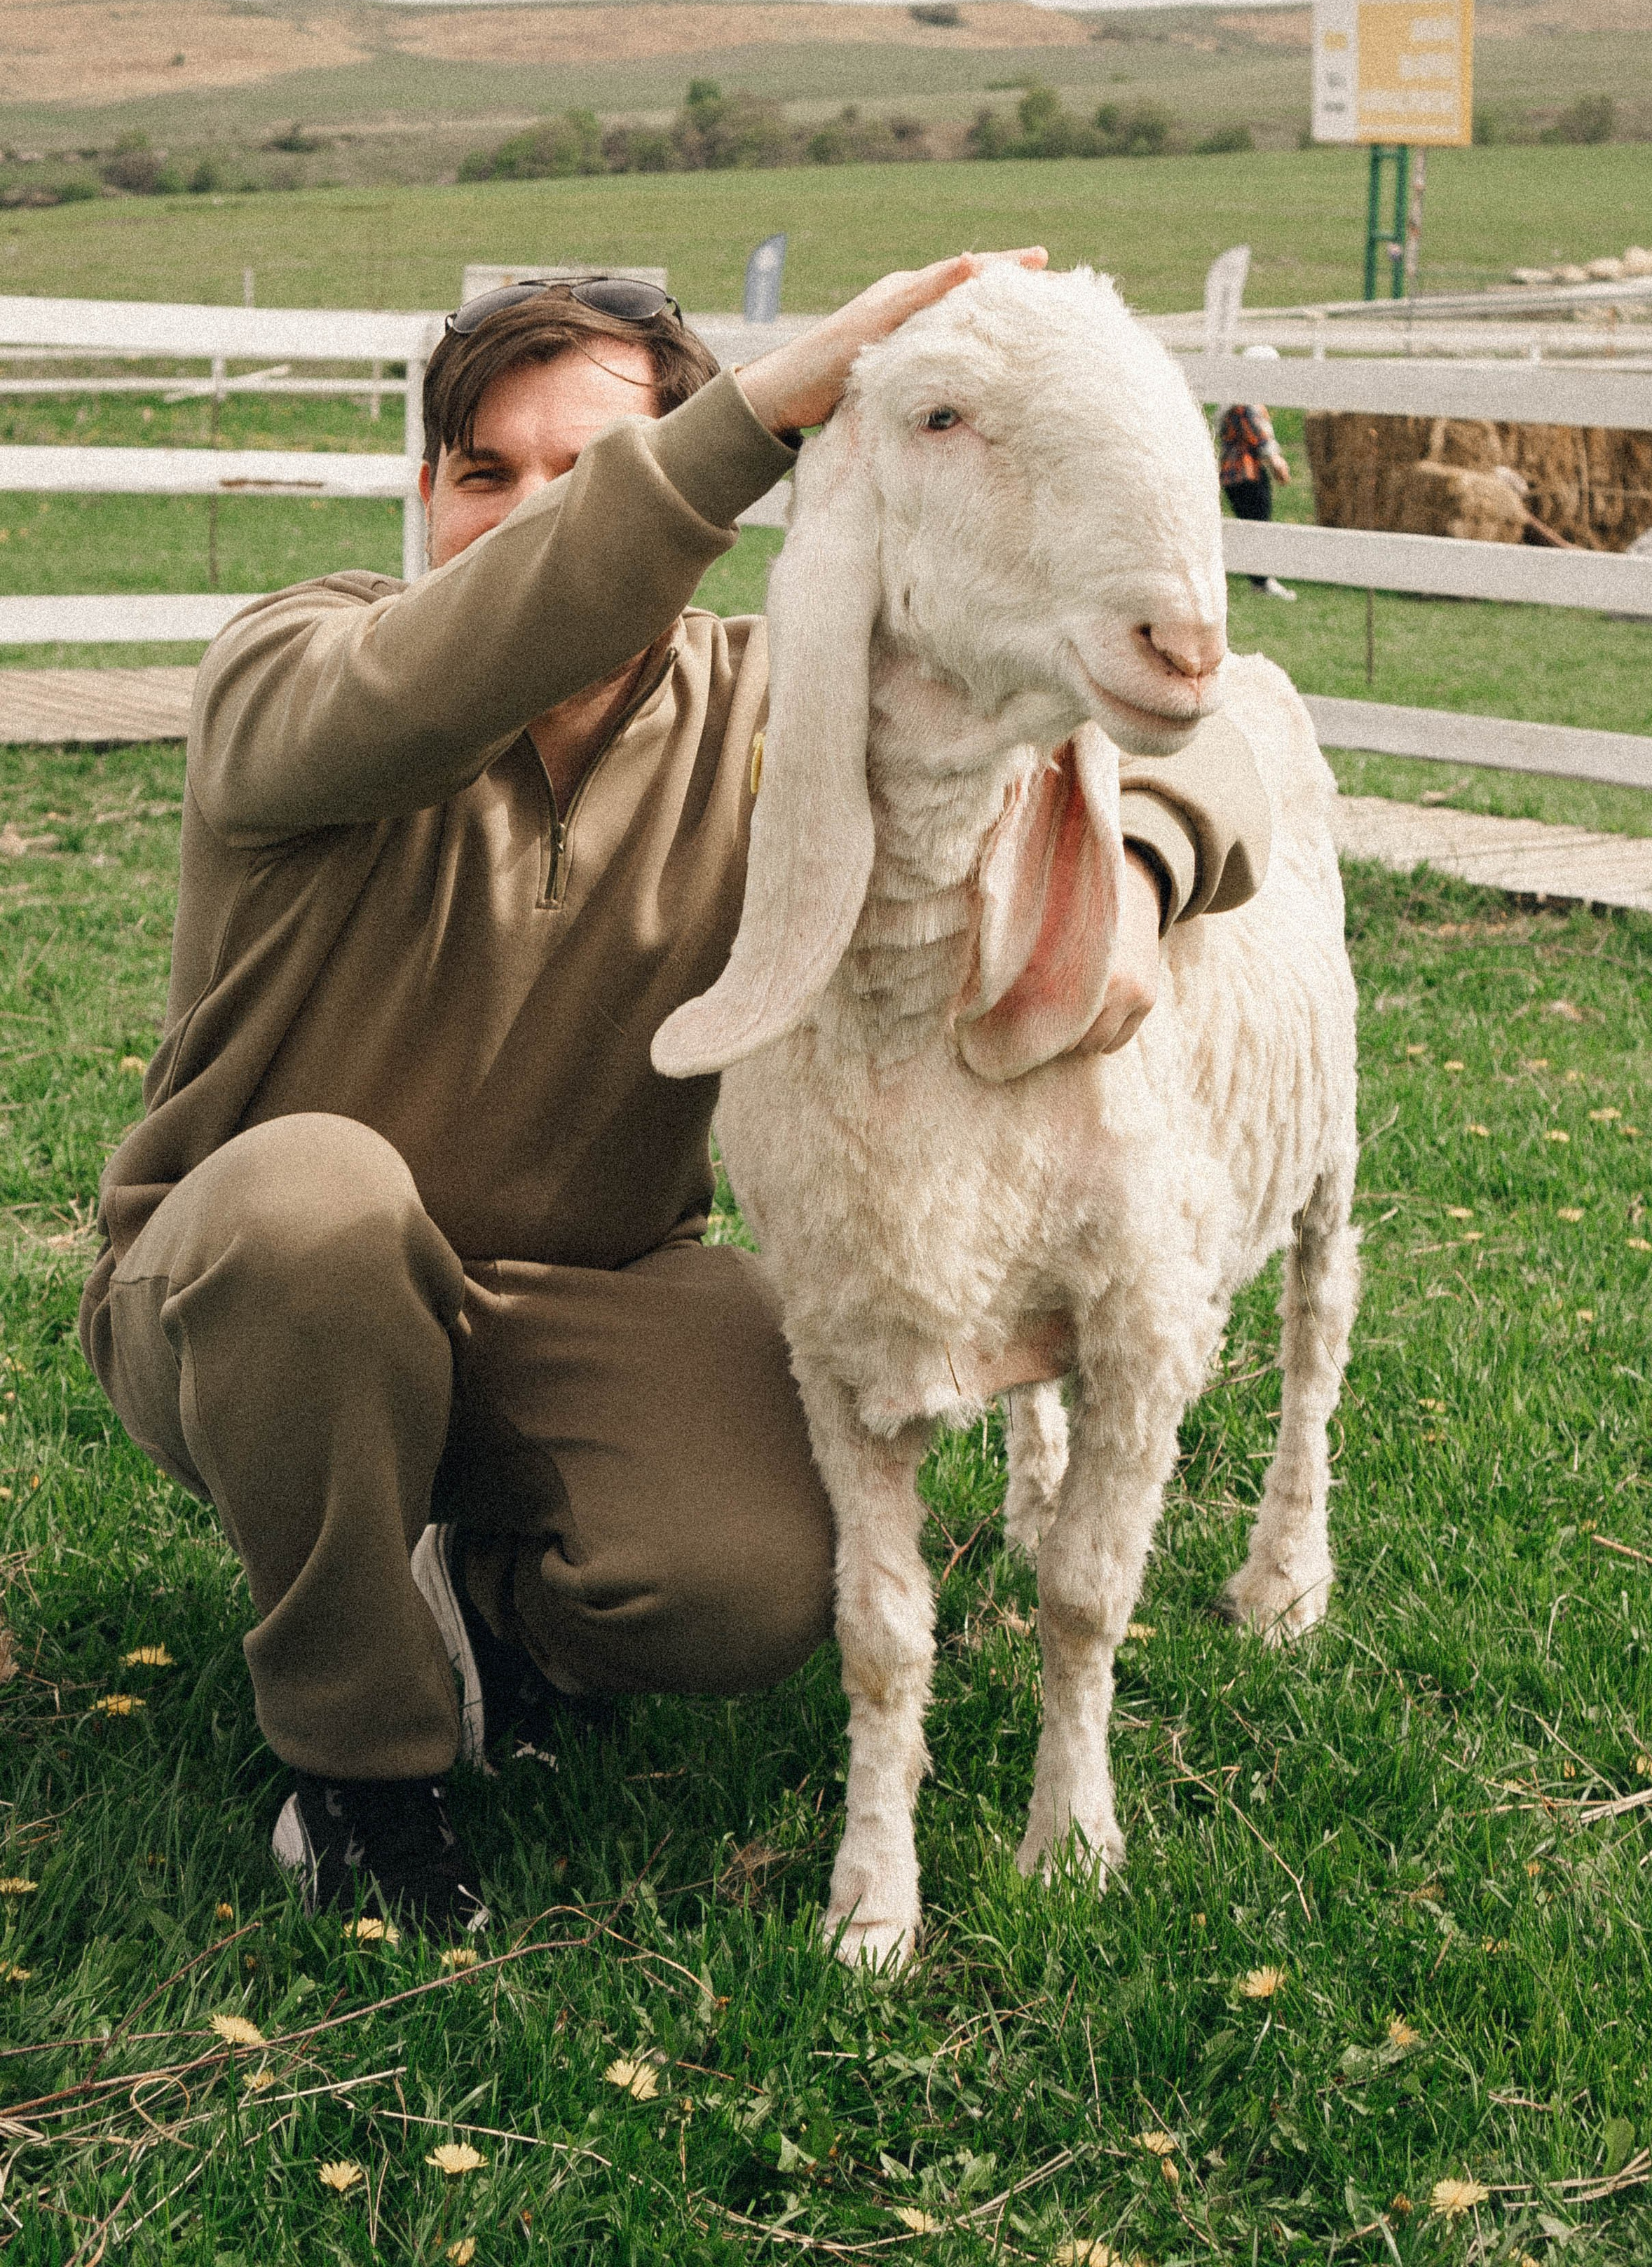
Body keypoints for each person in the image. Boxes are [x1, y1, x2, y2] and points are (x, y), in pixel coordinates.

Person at [79, 254, 1271, 1931]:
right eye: (483, 469)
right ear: (423, 492)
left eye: (588, 468)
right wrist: (745, 424)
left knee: (751, 1578)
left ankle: (478, 1599)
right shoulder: (293, 669)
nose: (526, 510)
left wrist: (1134, 862)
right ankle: (361, 1769)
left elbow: (1201, 723)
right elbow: (445, 664)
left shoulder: (770, 696)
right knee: (313, 1208)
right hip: (250, 1298)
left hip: (587, 1293)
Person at [1217, 348, 1296, 600]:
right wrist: (1276, 461)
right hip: (1244, 473)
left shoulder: (1242, 399)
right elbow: (1257, 437)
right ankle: (1262, 581)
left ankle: (1259, 578)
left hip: (1241, 473)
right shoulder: (1244, 403)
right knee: (1258, 523)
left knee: (1254, 522)